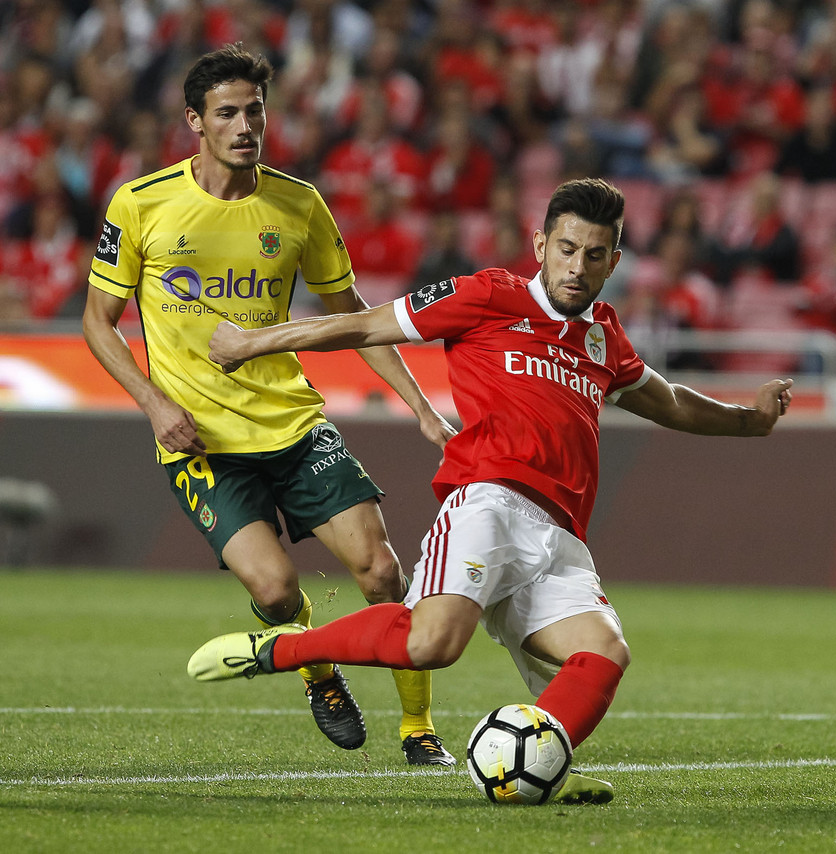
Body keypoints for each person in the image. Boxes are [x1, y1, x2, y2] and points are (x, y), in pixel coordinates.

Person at [188, 177, 793, 804]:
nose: (577, 267)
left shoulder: (605, 337)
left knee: (605, 653)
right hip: (489, 503)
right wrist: (253, 342)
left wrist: (750, 421)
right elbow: (367, 326)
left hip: (559, 536)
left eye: (594, 255)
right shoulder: (486, 296)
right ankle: (283, 649)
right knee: (432, 644)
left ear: (614, 262)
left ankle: (544, 760)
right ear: (540, 245)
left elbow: (671, 403)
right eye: (566, 249)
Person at [82, 44, 456, 768]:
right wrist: (154, 405)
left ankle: (419, 730)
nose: (245, 125)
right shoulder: (140, 202)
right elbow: (98, 322)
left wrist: (419, 405)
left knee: (381, 571)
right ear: (195, 121)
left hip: (293, 424)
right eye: (227, 113)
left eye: (254, 110)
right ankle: (319, 671)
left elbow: (353, 316)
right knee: (276, 588)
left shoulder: (299, 204)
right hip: (201, 441)